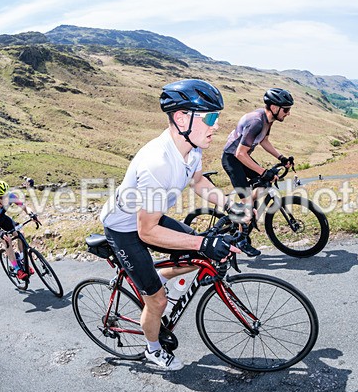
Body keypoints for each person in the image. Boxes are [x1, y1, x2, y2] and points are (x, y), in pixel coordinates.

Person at [100, 79, 238, 371]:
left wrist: (228, 203)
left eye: (218, 117)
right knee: (159, 301)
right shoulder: (158, 162)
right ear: (181, 118)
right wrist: (204, 242)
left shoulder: (192, 147)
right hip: (125, 228)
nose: (216, 125)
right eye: (211, 118)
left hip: (150, 215)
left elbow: (198, 181)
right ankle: (152, 349)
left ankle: (157, 277)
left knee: (199, 257)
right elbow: (146, 231)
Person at [221, 87, 295, 256]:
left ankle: (241, 207)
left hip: (243, 157)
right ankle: (241, 239)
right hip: (233, 159)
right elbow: (239, 153)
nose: (288, 113)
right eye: (286, 109)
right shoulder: (256, 121)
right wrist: (263, 171)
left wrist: (281, 158)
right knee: (249, 198)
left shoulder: (268, 120)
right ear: (275, 108)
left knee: (266, 183)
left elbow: (264, 140)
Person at [0, 180, 40, 280]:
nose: (6, 199)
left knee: (20, 233)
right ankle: (17, 269)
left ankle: (22, 260)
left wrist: (31, 214)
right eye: (3, 198)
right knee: (6, 239)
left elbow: (24, 207)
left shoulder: (10, 196)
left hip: (2, 218)